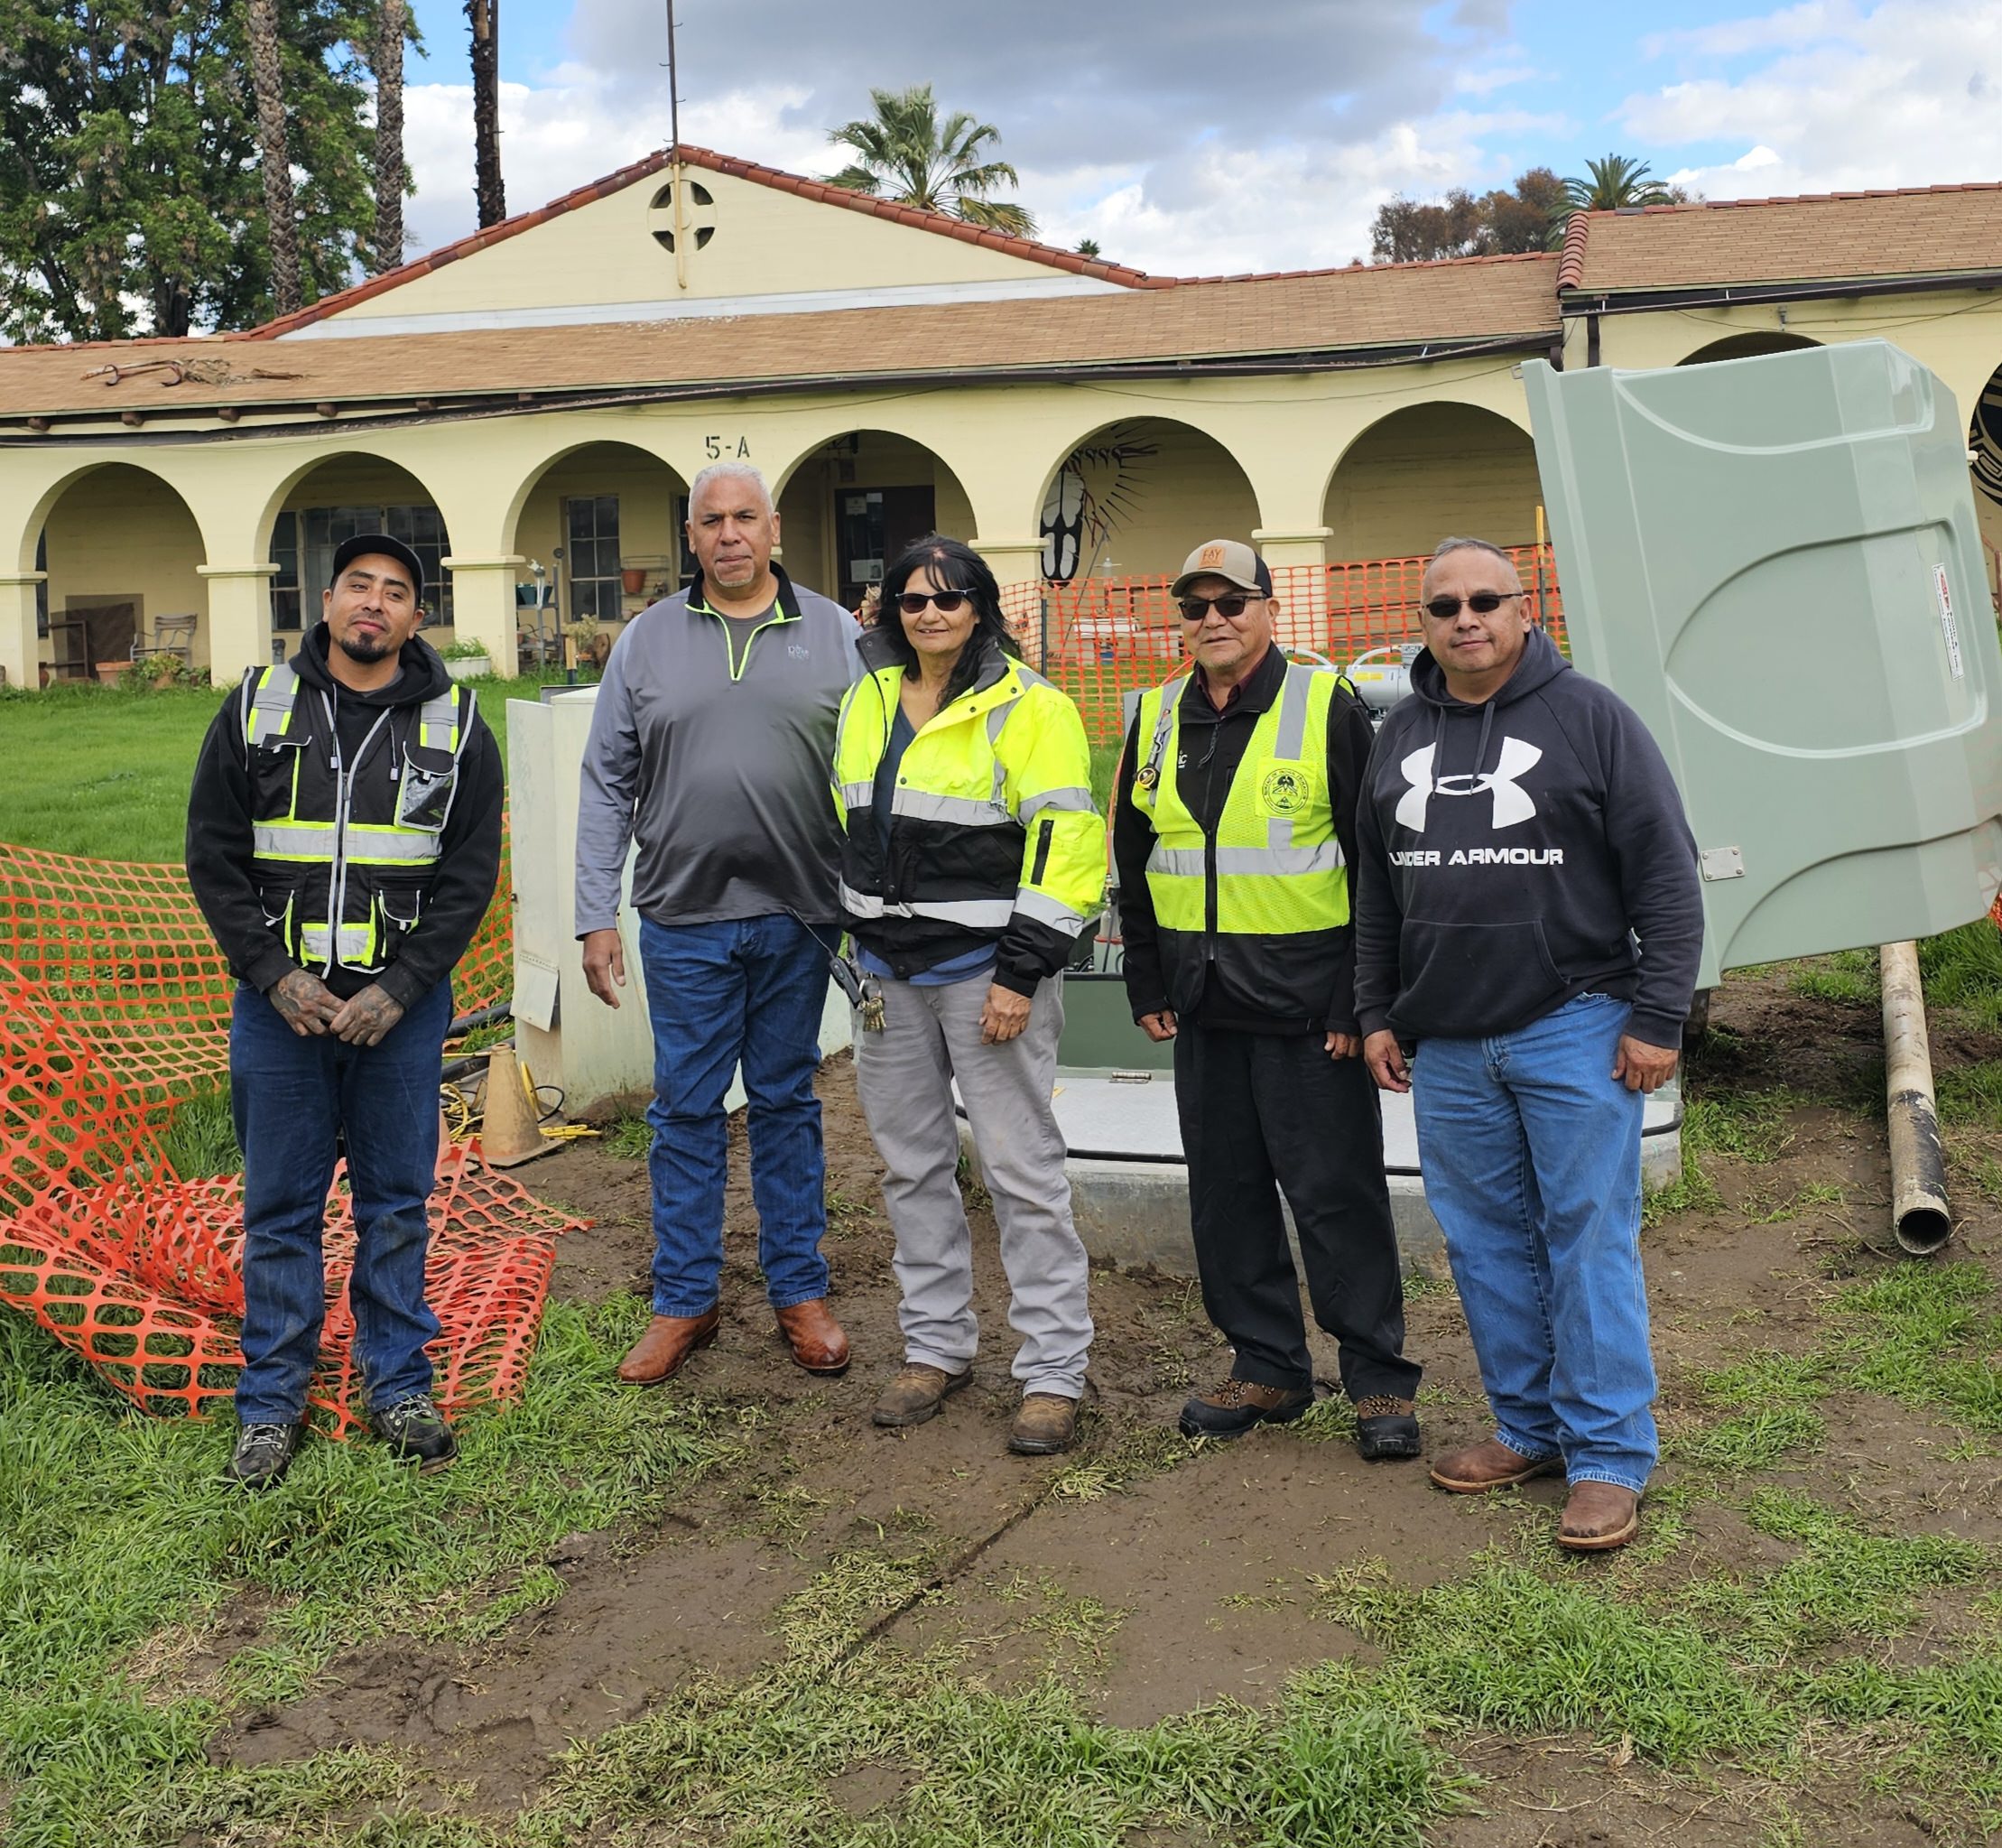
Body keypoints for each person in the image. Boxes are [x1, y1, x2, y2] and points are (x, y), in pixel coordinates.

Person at [1355, 536, 1703, 1552]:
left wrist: (1657, 1017)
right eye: (1442, 606)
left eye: (1483, 601)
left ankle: (1605, 1457)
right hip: (1450, 1046)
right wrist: (1378, 1007)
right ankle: (1529, 1429)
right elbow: (1378, 889)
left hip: (1576, 1025)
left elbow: (1667, 878)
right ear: (1420, 622)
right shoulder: (1399, 733)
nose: (1463, 619)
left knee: (1585, 1238)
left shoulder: (1590, 717)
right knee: (1485, 1243)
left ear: (1521, 608)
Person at [186, 533, 505, 1490]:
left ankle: (397, 1383)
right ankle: (270, 1405)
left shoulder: (457, 722)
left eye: (396, 591)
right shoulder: (257, 707)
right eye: (359, 586)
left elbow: (468, 876)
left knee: (396, 1206)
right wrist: (272, 974)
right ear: (326, 602)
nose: (375, 603)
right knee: (280, 1209)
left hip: (396, 1016)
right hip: (278, 1011)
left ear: (417, 616)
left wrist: (401, 989)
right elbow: (214, 854)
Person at [1113, 539, 1423, 1460]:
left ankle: (1375, 1379)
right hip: (1203, 1006)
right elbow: (1136, 854)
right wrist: (1144, 973)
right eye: (1195, 604)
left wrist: (1356, 1002)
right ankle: (1267, 1366)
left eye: (1230, 601)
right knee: (1225, 1196)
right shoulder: (1156, 716)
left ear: (1268, 609)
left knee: (1335, 1197)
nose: (1212, 618)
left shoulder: (1325, 708)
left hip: (1306, 1013)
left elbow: (1375, 868)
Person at [576, 462, 859, 1388]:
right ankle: (684, 1298)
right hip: (685, 918)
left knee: (785, 1103)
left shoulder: (836, 634)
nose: (729, 534)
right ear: (690, 535)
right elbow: (607, 781)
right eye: (712, 521)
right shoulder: (647, 641)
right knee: (686, 1112)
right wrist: (594, 913)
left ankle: (798, 1291)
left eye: (746, 517)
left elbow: (874, 773)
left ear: (774, 528)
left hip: (799, 919)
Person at [834, 536, 1103, 1454]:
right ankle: (936, 1347)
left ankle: (1052, 1371)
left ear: (982, 608)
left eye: (950, 598)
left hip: (988, 976)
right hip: (887, 975)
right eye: (913, 599)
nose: (931, 613)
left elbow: (1068, 847)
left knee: (1020, 1174)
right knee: (910, 1170)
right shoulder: (867, 697)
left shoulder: (1033, 707)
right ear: (890, 612)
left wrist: (1020, 973)